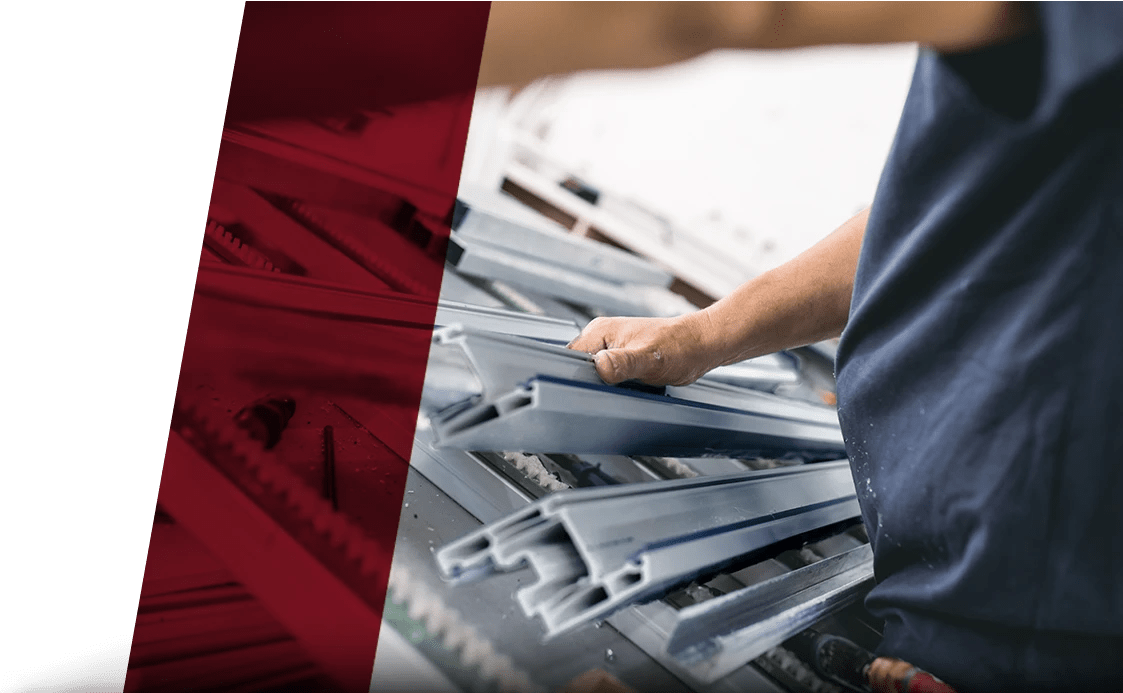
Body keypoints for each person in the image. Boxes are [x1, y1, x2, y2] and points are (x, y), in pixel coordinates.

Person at [476, 3, 1123, 692]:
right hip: (958, 583)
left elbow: (718, 12)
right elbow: (947, 202)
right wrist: (706, 333)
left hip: (1013, 628)